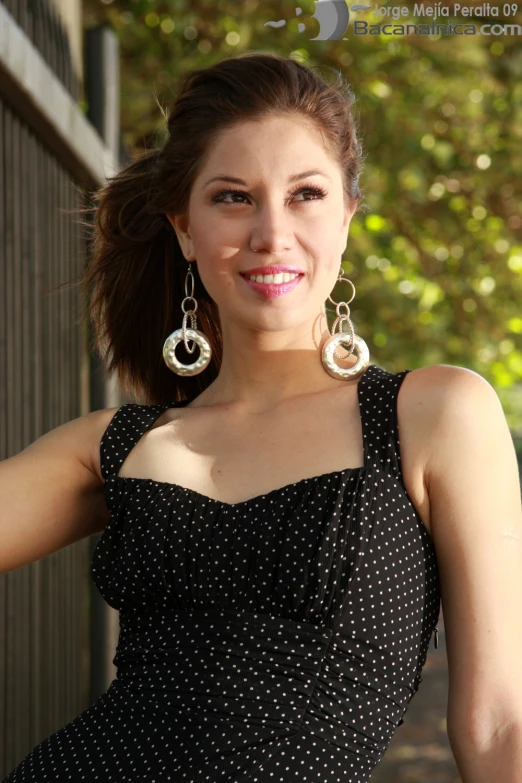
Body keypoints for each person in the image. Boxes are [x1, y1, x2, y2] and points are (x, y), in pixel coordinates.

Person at [2, 51, 521, 783]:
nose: (272, 233)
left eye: (305, 194)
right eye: (233, 197)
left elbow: (499, 716)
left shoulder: (432, 414)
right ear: (185, 230)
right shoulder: (117, 446)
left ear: (346, 218)